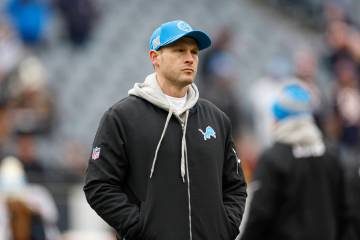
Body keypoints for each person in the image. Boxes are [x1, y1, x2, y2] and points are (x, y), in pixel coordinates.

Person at [83, 20, 247, 240]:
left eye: (194, 52)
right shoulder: (122, 117)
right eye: (179, 50)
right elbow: (99, 186)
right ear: (155, 58)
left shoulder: (217, 119)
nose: (190, 58)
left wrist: (224, 228)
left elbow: (235, 186)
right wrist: (139, 227)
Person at [240, 83, 348, 240]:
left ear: (278, 119)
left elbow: (259, 216)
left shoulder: (273, 159)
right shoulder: (332, 155)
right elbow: (344, 210)